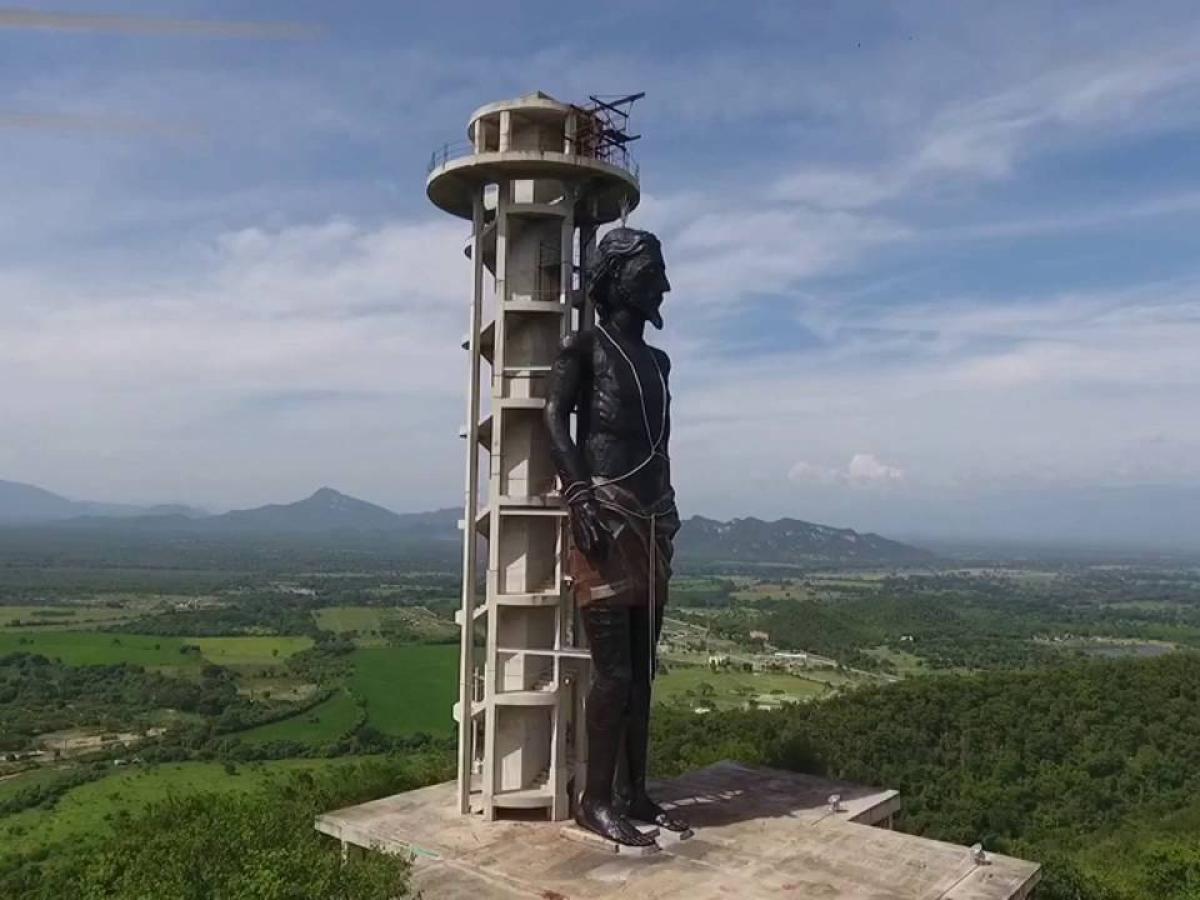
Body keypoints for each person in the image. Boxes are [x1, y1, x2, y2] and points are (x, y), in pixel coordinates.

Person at [544, 226, 691, 847]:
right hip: (604, 513)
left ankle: (634, 791)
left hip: (653, 517)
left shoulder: (657, 362)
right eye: (651, 269)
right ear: (615, 277)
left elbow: (658, 443)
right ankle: (594, 799)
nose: (663, 282)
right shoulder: (585, 347)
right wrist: (578, 495)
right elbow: (554, 418)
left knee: (643, 672)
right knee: (615, 674)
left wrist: (666, 508)